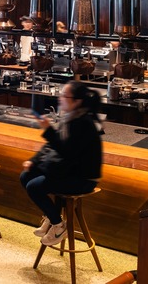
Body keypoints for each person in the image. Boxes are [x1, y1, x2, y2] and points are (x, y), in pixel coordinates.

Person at [20, 81, 103, 246]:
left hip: (83, 179)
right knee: (26, 176)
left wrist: (48, 130)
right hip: (68, 171)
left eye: (64, 96)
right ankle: (52, 218)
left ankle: (58, 226)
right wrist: (34, 161)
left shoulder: (83, 123)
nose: (60, 98)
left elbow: (68, 153)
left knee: (34, 187)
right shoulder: (71, 118)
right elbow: (52, 146)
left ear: (77, 101)